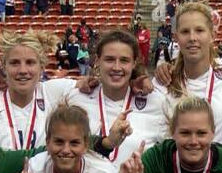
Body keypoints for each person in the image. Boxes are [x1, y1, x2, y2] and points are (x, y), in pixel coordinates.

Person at [153, 1, 222, 153]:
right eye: (185, 31)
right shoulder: (164, 81)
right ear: (176, 38)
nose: (192, 38)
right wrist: (137, 79)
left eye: (199, 30)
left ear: (212, 35)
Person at [63, 28, 165, 164]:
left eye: (124, 60)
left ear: (134, 63)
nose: (117, 67)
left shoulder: (157, 102)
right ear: (98, 61)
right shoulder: (76, 98)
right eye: (110, 59)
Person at [0, 30, 74, 149]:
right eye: (14, 63)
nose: (23, 70)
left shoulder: (52, 93)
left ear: (42, 67)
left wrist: (86, 82)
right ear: (4, 67)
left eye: (30, 63)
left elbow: (94, 86)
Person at [11, 103, 117, 173]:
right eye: (59, 142)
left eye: (74, 143)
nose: (66, 150)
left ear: (85, 145)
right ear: (48, 142)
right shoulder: (34, 169)